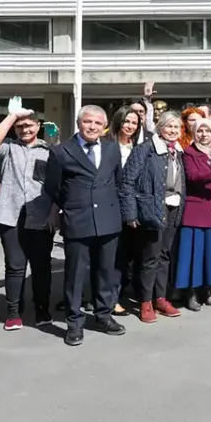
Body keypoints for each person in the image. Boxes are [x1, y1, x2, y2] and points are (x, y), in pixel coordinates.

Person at [45, 105, 126, 346]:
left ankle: (104, 316)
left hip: (108, 220)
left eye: (98, 123)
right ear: (79, 123)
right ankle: (74, 323)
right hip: (78, 220)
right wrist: (73, 206)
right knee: (75, 275)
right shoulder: (61, 151)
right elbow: (53, 188)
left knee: (106, 272)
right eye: (88, 121)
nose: (92, 127)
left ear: (105, 127)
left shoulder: (112, 149)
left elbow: (117, 181)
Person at [0, 102, 54, 330]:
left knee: (41, 266)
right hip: (10, 215)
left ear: (38, 126)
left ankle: (42, 308)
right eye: (20, 126)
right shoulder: (8, 148)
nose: (25, 130)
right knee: (15, 266)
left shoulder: (49, 150)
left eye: (29, 125)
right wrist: (11, 116)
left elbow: (57, 185)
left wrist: (54, 212)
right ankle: (14, 312)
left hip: (41, 216)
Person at [122, 111, 186, 324]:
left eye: (176, 127)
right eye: (169, 126)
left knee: (164, 255)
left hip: (173, 207)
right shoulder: (145, 149)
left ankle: (160, 297)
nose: (173, 131)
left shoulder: (178, 151)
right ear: (160, 128)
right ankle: (145, 301)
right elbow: (127, 182)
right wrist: (130, 213)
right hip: (152, 209)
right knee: (150, 257)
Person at [177, 120, 211, 311]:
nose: (204, 134)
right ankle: (190, 294)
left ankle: (208, 292)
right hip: (196, 210)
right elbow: (192, 177)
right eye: (200, 131)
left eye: (208, 131)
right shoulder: (189, 153)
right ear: (194, 133)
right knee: (193, 254)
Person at [110, 108, 145, 314]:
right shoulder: (107, 145)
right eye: (127, 121)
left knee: (128, 255)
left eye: (134, 123)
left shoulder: (138, 147)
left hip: (134, 206)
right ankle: (111, 298)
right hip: (112, 205)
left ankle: (122, 292)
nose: (130, 126)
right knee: (114, 255)